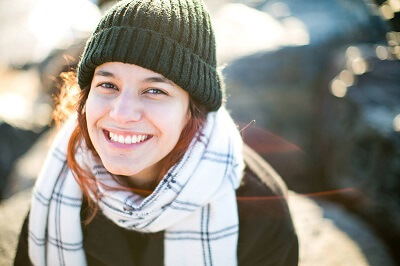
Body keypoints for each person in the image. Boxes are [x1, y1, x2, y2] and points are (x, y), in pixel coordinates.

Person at [14, 0, 298, 265]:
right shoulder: (59, 185)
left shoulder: (259, 207)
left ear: (192, 109)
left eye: (154, 91)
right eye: (108, 85)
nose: (122, 114)